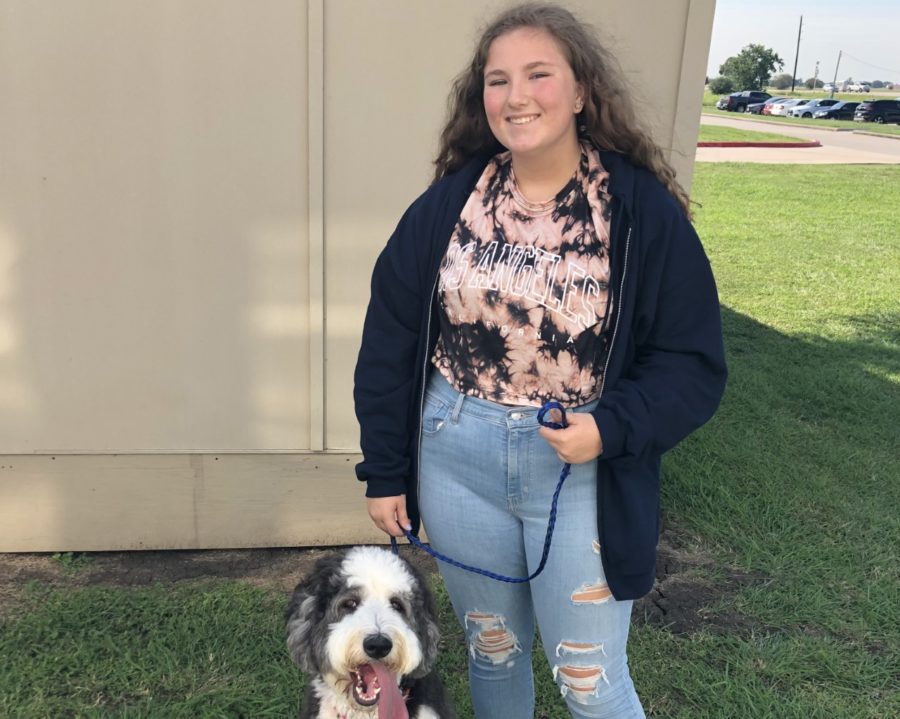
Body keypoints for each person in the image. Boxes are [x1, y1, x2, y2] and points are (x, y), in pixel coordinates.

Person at [353, 3, 727, 717]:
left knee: (588, 678)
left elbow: (692, 362)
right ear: (481, 97)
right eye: (498, 80)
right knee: (491, 652)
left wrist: (610, 426)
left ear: (582, 90)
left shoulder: (638, 213)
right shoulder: (450, 205)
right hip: (455, 452)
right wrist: (386, 467)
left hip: (578, 467)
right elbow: (391, 340)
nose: (516, 96)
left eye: (537, 74)